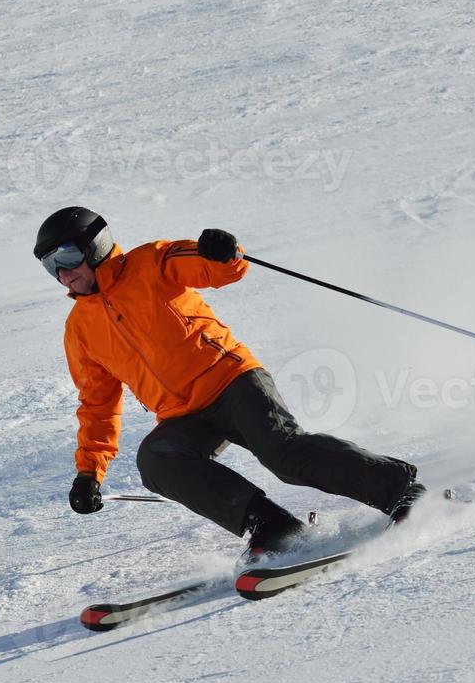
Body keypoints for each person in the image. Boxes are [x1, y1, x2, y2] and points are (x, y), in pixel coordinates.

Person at [37, 206, 424, 559]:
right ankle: (272, 526)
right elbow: (98, 405)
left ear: (95, 246)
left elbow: (215, 267)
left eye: (68, 256)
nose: (63, 272)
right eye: (50, 265)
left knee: (283, 455)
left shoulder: (151, 261)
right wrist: (90, 471)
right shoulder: (80, 330)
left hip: (231, 379)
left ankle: (398, 489)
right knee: (157, 460)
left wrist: (222, 251)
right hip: (184, 415)